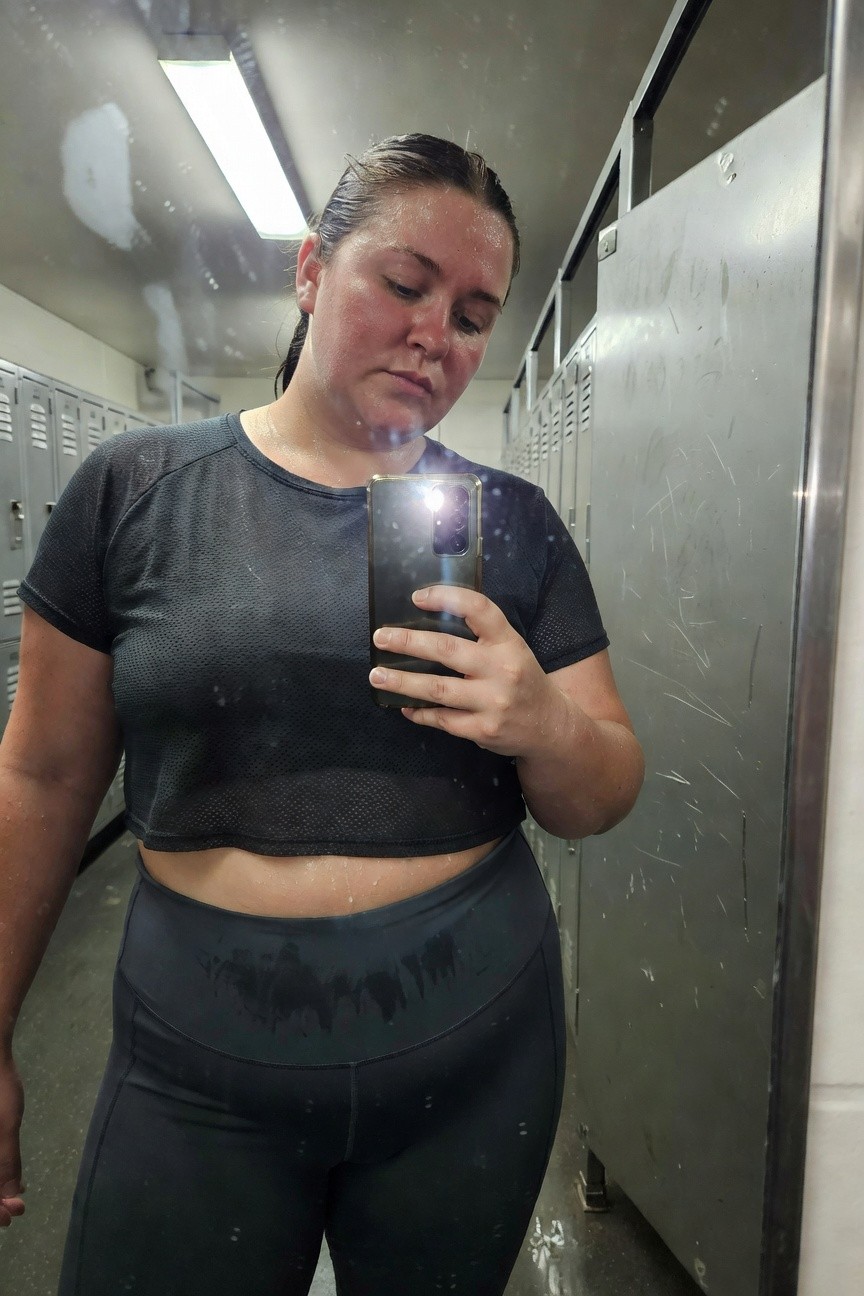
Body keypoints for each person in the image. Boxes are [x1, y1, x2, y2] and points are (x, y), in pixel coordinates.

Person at [0, 134, 644, 1294]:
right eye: (403, 285)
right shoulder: (135, 492)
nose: (434, 335)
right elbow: (43, 778)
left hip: (472, 1037)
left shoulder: (516, 520)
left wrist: (542, 722)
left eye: (472, 313)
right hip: (196, 1043)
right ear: (311, 271)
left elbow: (604, 790)